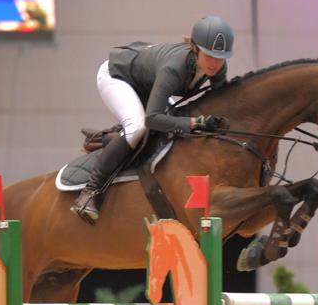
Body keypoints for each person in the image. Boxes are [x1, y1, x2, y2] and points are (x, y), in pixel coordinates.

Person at [72, 15, 234, 224]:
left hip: (147, 81)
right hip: (116, 76)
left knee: (171, 119)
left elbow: (222, 98)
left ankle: (108, 139)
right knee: (138, 126)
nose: (214, 64)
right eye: (209, 55)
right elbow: (153, 119)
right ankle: (90, 192)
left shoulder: (218, 67)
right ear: (195, 48)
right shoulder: (175, 68)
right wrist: (196, 123)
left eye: (219, 58)